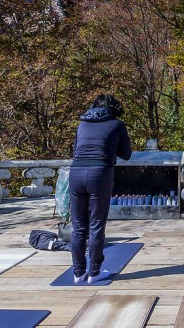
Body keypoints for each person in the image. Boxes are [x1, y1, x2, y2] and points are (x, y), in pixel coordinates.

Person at [69, 93, 132, 283]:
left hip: (76, 172)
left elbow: (75, 150)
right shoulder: (117, 124)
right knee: (96, 224)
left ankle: (78, 273)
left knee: (79, 226)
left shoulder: (82, 124)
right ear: (114, 108)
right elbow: (127, 154)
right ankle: (94, 272)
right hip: (100, 173)